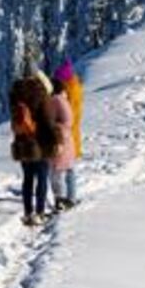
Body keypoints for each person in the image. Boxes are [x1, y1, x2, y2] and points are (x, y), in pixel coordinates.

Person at [9, 71, 57, 226]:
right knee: (42, 179)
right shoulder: (41, 94)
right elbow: (48, 122)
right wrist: (56, 141)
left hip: (22, 143)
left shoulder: (16, 93)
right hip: (40, 143)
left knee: (27, 179)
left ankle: (27, 212)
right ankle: (40, 213)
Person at [53, 58, 84, 202]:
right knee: (68, 167)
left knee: (63, 168)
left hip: (67, 135)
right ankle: (70, 196)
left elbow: (68, 116)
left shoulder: (69, 93)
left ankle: (67, 197)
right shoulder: (75, 87)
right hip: (71, 134)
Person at [48, 76, 77, 210]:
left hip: (59, 141)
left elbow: (60, 121)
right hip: (67, 140)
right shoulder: (63, 99)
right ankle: (71, 197)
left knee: (56, 172)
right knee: (68, 170)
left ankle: (60, 199)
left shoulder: (55, 101)